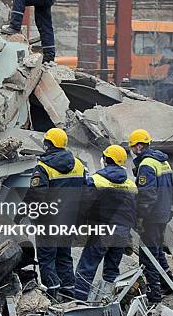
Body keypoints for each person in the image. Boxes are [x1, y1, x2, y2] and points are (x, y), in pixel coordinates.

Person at [74, 145, 137, 301]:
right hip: (122, 232)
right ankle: (110, 301)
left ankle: (78, 302)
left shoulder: (96, 180)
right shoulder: (130, 184)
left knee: (86, 268)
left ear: (106, 160)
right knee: (111, 271)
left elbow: (84, 205)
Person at [30, 128, 85, 299]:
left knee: (47, 258)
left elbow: (36, 197)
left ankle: (52, 294)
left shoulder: (43, 167)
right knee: (64, 256)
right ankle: (69, 291)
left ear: (48, 144)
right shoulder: (78, 164)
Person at [129, 128, 173, 303]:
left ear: (140, 146)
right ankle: (168, 283)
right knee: (157, 251)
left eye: (133, 147)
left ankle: (154, 293)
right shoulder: (162, 161)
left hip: (152, 215)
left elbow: (147, 194)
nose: (133, 151)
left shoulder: (147, 164)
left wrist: (140, 217)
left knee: (148, 254)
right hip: (163, 212)